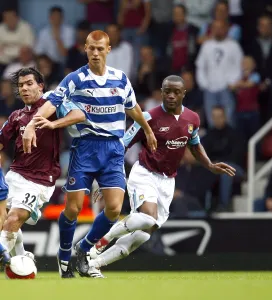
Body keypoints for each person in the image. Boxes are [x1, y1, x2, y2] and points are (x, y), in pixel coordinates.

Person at [22, 30, 157, 278]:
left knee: (115, 209)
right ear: (85, 48)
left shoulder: (121, 79)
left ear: (108, 49)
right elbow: (51, 103)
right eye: (91, 48)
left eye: (100, 48)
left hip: (114, 149)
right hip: (85, 148)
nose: (95, 53)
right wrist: (32, 123)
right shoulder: (75, 79)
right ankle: (64, 254)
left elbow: (133, 108)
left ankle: (83, 248)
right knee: (72, 209)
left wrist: (147, 130)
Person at [88, 75, 235, 275]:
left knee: (145, 234)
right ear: (162, 92)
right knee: (148, 217)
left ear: (184, 93)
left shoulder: (192, 119)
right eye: (167, 92)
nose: (171, 96)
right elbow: (121, 145)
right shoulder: (148, 117)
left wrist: (209, 164)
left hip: (167, 181)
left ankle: (96, 264)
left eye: (176, 92)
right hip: (145, 173)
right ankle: (100, 242)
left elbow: (194, 144)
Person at [0, 68, 84, 267]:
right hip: (14, 175)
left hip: (40, 180)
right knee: (6, 221)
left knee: (13, 219)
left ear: (40, 86)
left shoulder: (52, 107)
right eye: (21, 85)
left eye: (29, 83)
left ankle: (6, 256)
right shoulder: (16, 116)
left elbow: (79, 114)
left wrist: (55, 125)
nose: (25, 89)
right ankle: (22, 259)